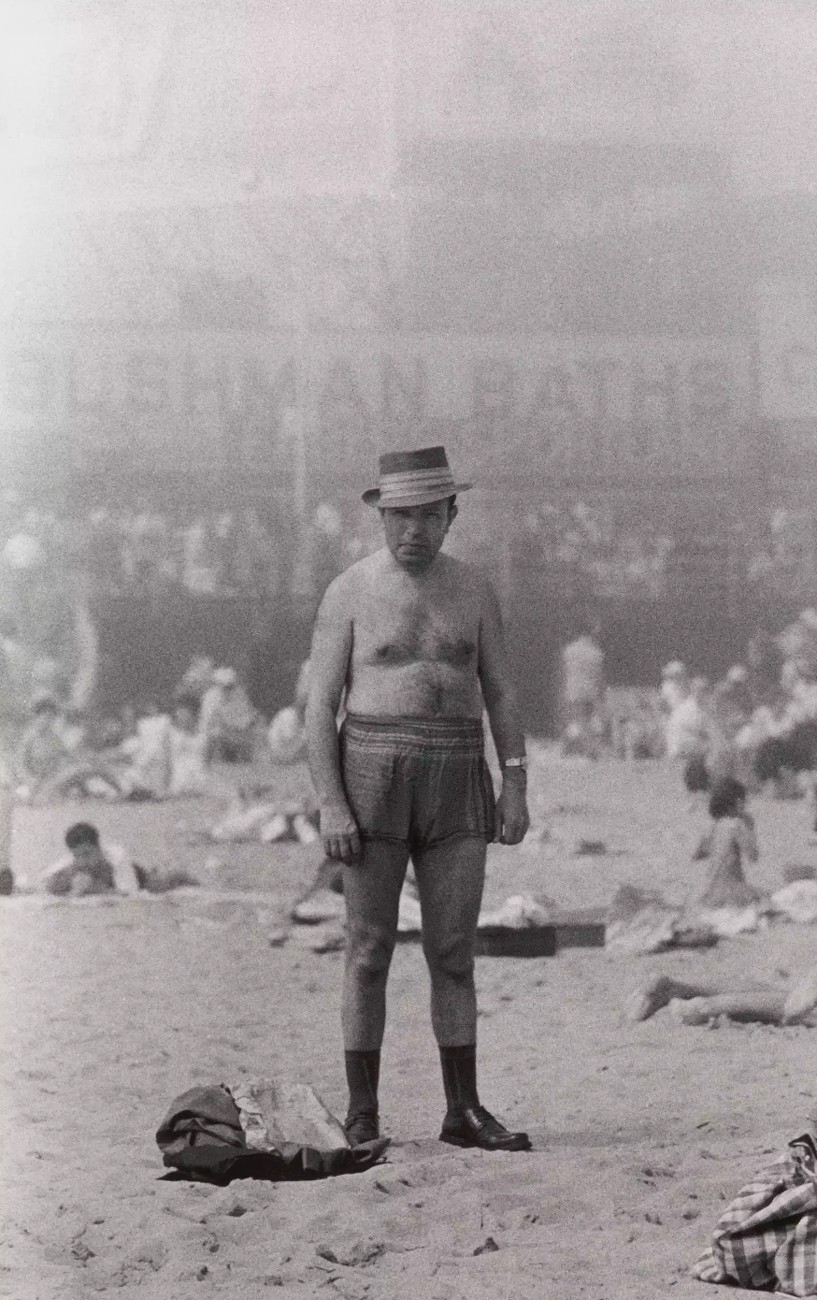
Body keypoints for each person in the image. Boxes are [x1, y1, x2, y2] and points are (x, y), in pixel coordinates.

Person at [306, 445, 531, 1152]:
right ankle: (362, 1111)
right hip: (372, 768)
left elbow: (498, 689)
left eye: (428, 516)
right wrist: (332, 804)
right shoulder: (348, 590)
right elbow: (319, 708)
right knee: (368, 949)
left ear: (450, 515)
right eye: (400, 516)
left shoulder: (473, 590)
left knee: (453, 951)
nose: (413, 531)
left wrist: (516, 779)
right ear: (380, 515)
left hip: (458, 771)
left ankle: (461, 1110)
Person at [691, 776, 761, 912]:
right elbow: (753, 857)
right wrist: (751, 828)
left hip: (709, 891)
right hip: (731, 890)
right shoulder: (736, 825)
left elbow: (697, 855)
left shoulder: (712, 826)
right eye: (743, 801)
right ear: (737, 802)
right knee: (765, 898)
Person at [41, 821, 141, 896]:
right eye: (77, 856)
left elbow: (131, 894)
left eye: (87, 854)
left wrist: (94, 889)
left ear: (99, 849)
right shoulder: (69, 862)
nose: (83, 862)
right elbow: (43, 884)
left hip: (137, 875)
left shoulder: (117, 858)